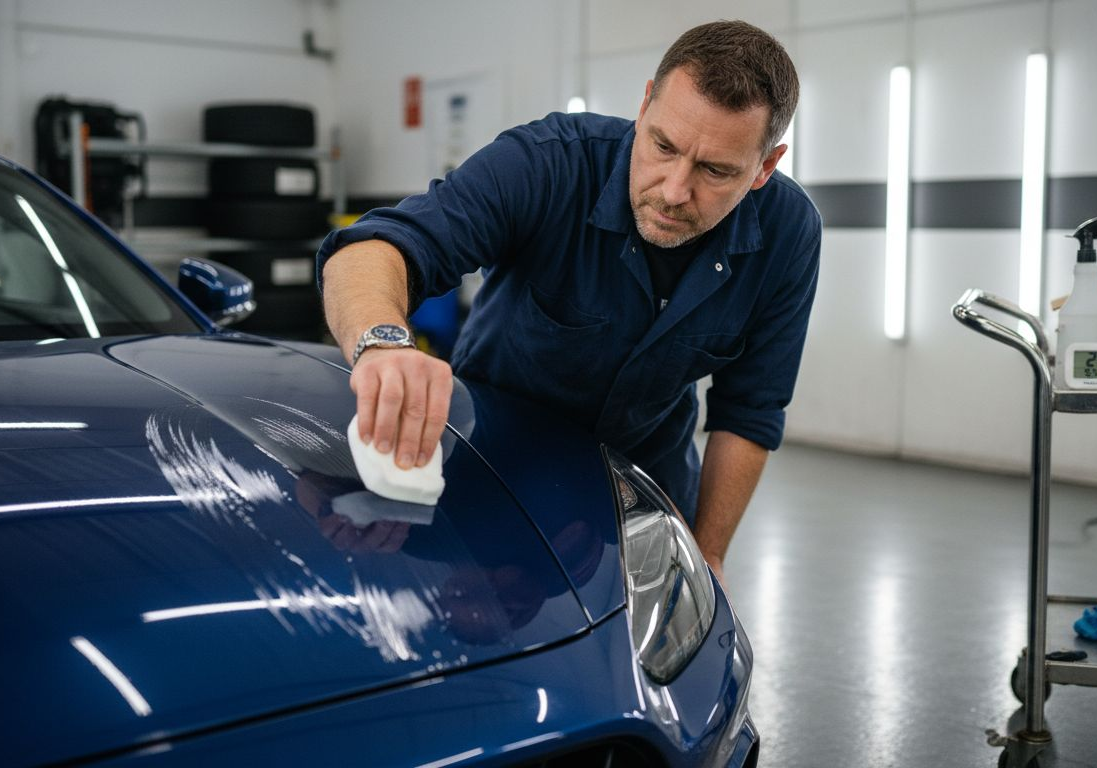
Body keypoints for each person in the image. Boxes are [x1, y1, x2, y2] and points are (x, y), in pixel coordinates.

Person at [316, 19, 821, 581]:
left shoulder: (789, 232)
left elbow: (750, 411)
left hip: (644, 490)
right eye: (663, 146)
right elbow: (373, 248)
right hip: (494, 466)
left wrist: (708, 555)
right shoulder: (547, 162)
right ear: (645, 104)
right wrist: (383, 344)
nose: (675, 190)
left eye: (715, 170)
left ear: (764, 167)